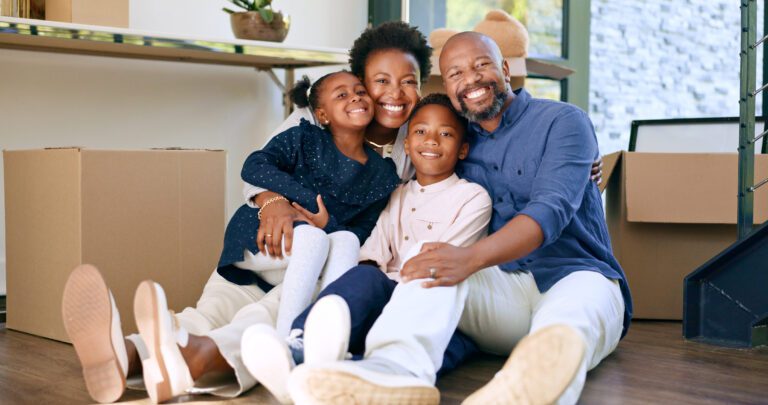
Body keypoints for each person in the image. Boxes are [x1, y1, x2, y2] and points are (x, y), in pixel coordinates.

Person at [286, 31, 633, 405]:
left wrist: (470, 258)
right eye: (455, 74)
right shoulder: (456, 140)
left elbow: (549, 212)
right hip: (504, 291)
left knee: (565, 327)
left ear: (504, 69)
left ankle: (519, 391)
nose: (470, 79)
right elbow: (399, 168)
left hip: (579, 274)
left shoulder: (563, 121)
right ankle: (393, 371)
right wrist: (275, 198)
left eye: (481, 65)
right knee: (429, 253)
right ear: (447, 88)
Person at [62, 70, 400, 404]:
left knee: (214, 312)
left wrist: (326, 221)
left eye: (360, 91)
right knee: (295, 271)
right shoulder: (303, 136)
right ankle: (281, 346)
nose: (356, 96)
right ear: (321, 113)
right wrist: (291, 203)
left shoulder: (383, 173)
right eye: (343, 94)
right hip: (262, 243)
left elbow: (360, 234)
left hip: (301, 259)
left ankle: (126, 354)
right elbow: (255, 166)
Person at [240, 93, 491, 403]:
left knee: (443, 345)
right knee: (362, 279)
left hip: (431, 304)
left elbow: (443, 263)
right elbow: (374, 252)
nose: (432, 141)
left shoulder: (473, 198)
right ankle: (299, 346)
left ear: (463, 148)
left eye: (446, 134)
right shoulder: (398, 194)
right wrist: (365, 290)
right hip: (388, 291)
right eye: (421, 132)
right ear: (408, 146)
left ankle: (344, 377)